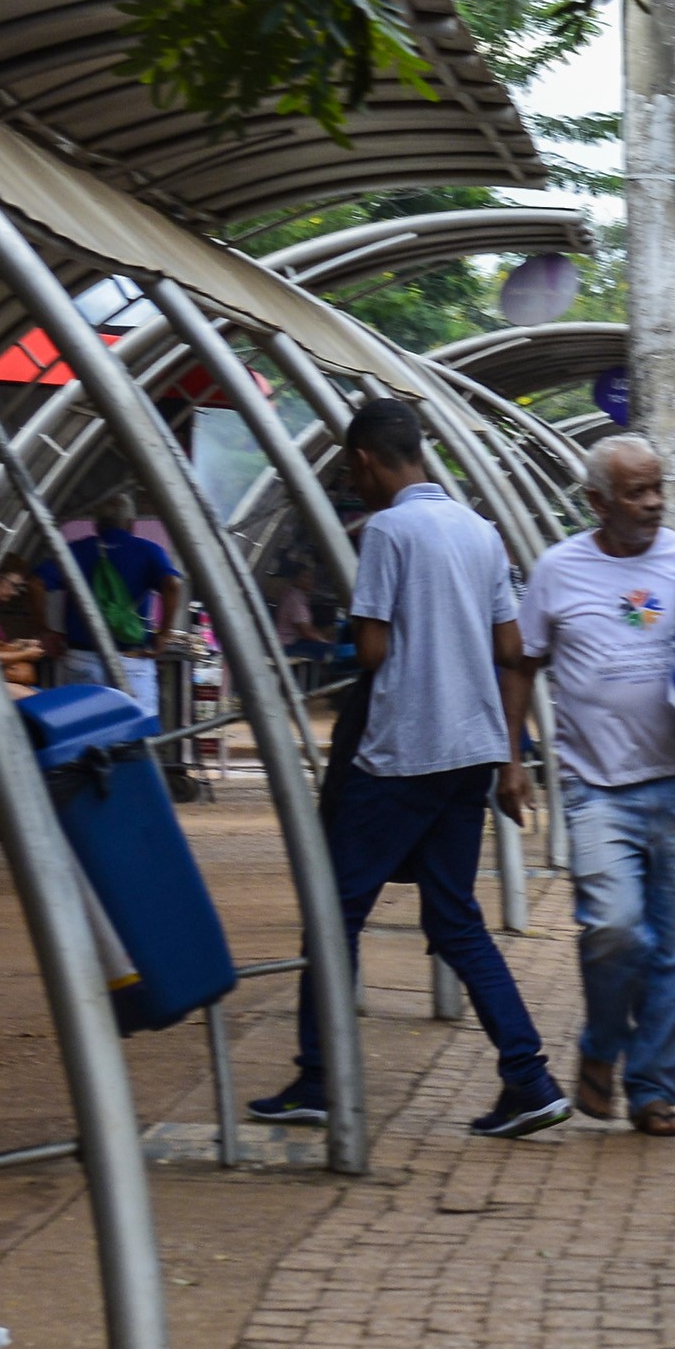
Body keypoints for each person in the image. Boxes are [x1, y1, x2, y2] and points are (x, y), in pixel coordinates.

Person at [245, 399, 570, 1140]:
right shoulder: (479, 531)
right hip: (469, 751)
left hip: (402, 751)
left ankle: (319, 1079)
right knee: (456, 920)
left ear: (364, 460)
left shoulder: (388, 530)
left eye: (350, 470)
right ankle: (528, 1076)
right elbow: (511, 643)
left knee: (334, 912)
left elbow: (373, 652)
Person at [515, 439, 675, 1136]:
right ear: (596, 503)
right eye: (635, 492)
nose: (652, 503)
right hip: (595, 788)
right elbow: (520, 664)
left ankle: (651, 1090)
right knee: (615, 930)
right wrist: (508, 759)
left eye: (656, 488)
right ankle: (600, 1048)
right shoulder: (557, 570)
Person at [37, 491, 185, 713]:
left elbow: (34, 582)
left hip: (82, 658)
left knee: (84, 733)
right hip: (132, 661)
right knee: (134, 736)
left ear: (96, 526)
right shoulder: (148, 550)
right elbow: (173, 584)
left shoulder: (75, 551)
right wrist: (164, 633)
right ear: (131, 524)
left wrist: (44, 630)